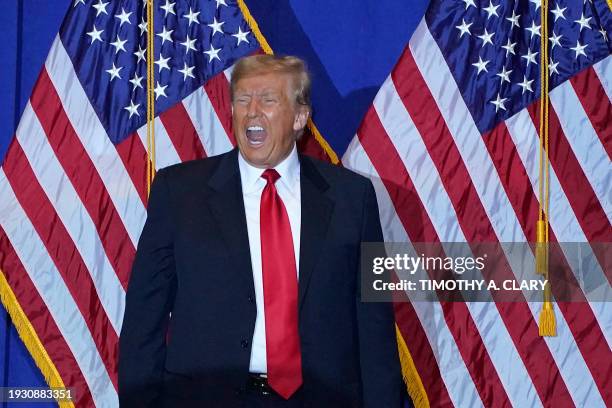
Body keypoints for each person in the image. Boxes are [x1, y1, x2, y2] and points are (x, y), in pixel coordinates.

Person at [118, 54, 402, 407]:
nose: (252, 111)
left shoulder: (353, 198)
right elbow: (144, 318)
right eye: (242, 100)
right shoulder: (179, 192)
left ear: (300, 117)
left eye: (268, 100)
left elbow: (374, 330)